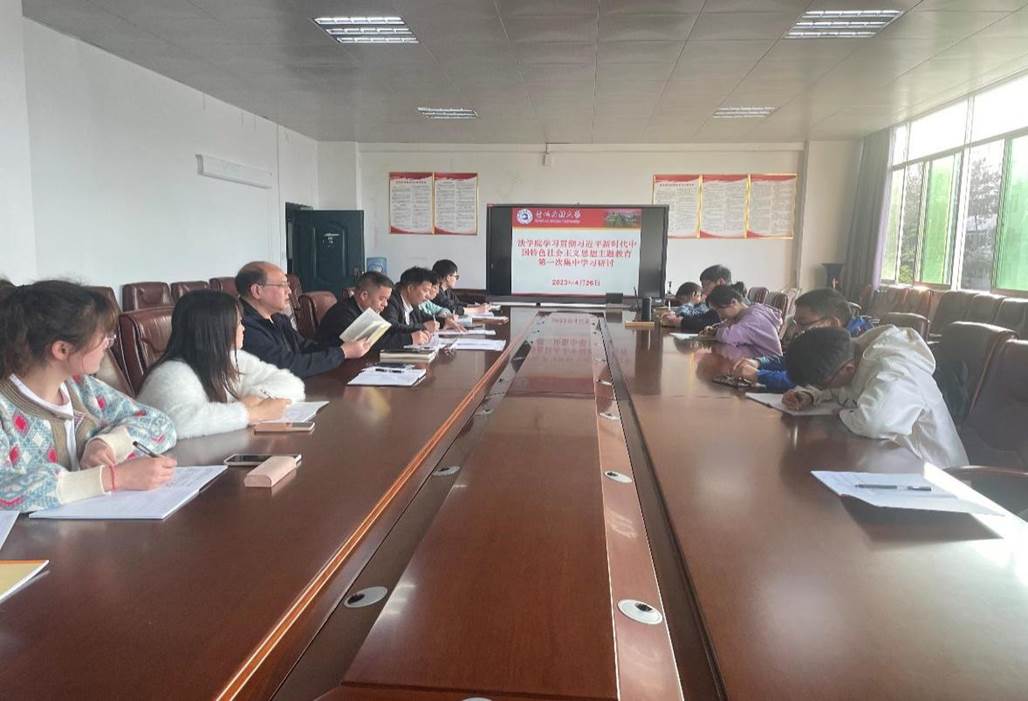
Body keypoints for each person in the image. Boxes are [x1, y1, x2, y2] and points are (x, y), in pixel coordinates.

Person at [0, 280, 177, 513]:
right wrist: (112, 478)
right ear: (62, 349)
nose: (108, 344)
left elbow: (160, 424)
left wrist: (106, 443)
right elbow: (5, 490)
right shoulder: (5, 409)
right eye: (102, 337)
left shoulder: (82, 387)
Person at [782, 326, 968, 468]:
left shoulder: (896, 371)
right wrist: (810, 394)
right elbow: (840, 388)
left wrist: (843, 413)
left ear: (848, 369)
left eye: (821, 384)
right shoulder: (851, 355)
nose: (822, 388)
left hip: (935, 476)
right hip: (891, 463)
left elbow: (873, 423)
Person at [138, 290, 303, 439]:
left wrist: (255, 398)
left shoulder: (231, 358)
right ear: (216, 330)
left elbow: (291, 382)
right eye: (238, 323)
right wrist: (253, 412)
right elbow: (179, 423)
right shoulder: (172, 373)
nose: (243, 328)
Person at [237, 261, 371, 379]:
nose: (289, 291)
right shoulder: (243, 326)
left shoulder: (278, 318)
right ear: (257, 291)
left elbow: (305, 347)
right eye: (282, 285)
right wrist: (342, 352)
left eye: (288, 285)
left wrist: (345, 346)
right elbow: (286, 366)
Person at [732, 288, 873, 391]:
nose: (797, 330)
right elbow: (795, 362)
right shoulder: (829, 340)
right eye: (796, 323)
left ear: (831, 323)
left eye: (803, 323)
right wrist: (758, 362)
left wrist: (758, 375)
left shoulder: (856, 348)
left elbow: (809, 379)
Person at [316, 271, 431, 349]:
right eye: (382, 299)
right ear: (364, 295)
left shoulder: (366, 311)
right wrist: (409, 339)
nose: (386, 304)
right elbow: (369, 343)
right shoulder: (343, 313)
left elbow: (384, 333)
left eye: (387, 299)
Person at [701, 284, 782, 358]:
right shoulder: (744, 314)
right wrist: (716, 328)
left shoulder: (753, 318)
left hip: (770, 364)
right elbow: (729, 326)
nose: (719, 315)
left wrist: (715, 332)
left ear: (733, 302)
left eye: (719, 310)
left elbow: (728, 336)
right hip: (757, 361)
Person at [660, 264, 733, 332]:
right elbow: (704, 317)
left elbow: (714, 323)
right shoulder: (719, 302)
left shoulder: (731, 301)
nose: (703, 290)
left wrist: (681, 321)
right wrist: (677, 318)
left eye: (706, 285)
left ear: (720, 282)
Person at [382, 267, 442, 342]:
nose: (428, 296)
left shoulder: (413, 304)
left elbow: (426, 318)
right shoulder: (391, 301)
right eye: (425, 290)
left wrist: (445, 321)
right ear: (410, 288)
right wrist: (423, 327)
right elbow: (391, 326)